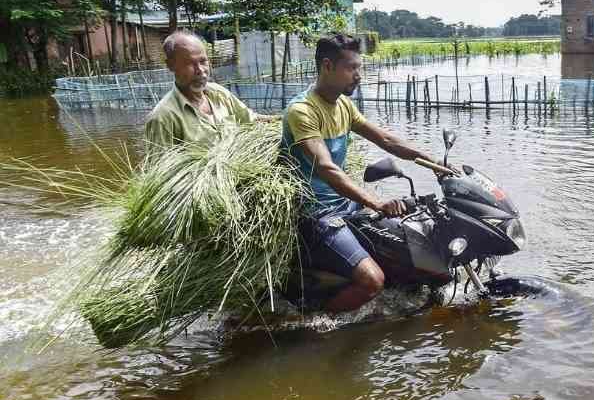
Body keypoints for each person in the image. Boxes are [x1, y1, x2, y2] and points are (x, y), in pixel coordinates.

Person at [282, 33, 440, 313]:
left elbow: (387, 141)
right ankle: (312, 324)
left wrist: (435, 164)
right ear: (327, 66)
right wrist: (375, 202)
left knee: (407, 249)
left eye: (360, 68)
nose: (358, 75)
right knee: (372, 281)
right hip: (317, 214)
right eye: (351, 68)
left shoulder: (343, 104)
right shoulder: (302, 111)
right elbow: (326, 168)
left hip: (346, 205)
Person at [144, 31, 273, 155]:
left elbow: (252, 119)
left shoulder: (219, 93)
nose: (200, 70)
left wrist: (283, 119)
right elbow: (163, 171)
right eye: (189, 63)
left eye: (203, 61)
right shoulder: (163, 118)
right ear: (171, 66)